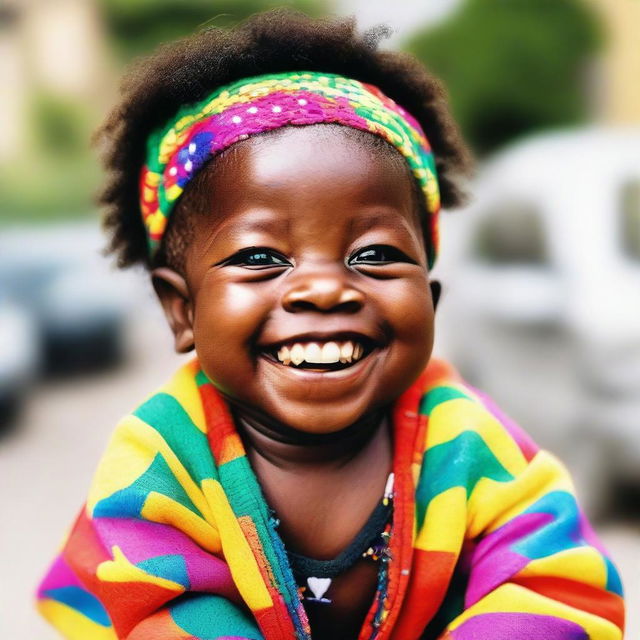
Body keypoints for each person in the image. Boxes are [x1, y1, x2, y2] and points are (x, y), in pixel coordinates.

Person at [36, 10, 624, 640]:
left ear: (431, 299)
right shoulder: (163, 457)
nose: (323, 288)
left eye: (375, 255)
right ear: (182, 310)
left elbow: (558, 583)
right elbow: (140, 608)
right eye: (260, 258)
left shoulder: (468, 443)